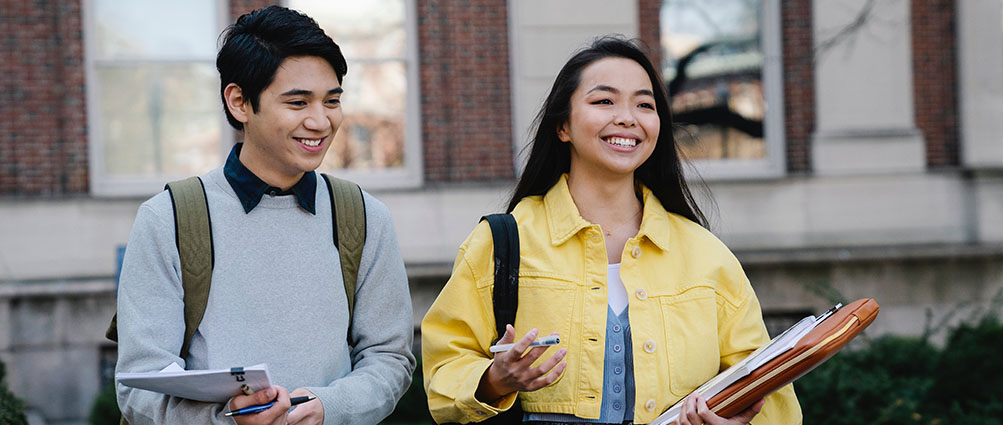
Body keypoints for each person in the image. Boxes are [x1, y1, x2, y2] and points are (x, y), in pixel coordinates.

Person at [420, 38, 802, 425]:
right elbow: (444, 374)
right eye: (604, 101)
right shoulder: (502, 242)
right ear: (563, 126)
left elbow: (772, 394)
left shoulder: (707, 255)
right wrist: (494, 380)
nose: (627, 117)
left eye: (645, 105)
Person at [114, 6, 415, 425]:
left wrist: (331, 406)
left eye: (332, 101)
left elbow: (389, 359)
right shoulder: (169, 219)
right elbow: (138, 384)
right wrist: (229, 421)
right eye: (297, 102)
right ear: (239, 102)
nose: (320, 121)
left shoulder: (364, 217)